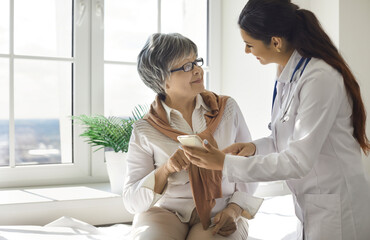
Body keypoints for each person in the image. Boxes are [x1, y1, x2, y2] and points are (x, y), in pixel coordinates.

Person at [182, 0, 370, 239]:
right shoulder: (287, 72)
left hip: (337, 206)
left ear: (276, 42)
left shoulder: (319, 78)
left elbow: (298, 161)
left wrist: (224, 164)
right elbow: (285, 138)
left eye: (249, 44)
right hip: (313, 204)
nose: (246, 52)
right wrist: (253, 148)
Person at [122, 33, 263, 240]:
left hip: (221, 210)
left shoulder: (227, 109)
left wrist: (234, 210)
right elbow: (131, 201)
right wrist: (166, 169)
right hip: (166, 212)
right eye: (186, 66)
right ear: (163, 80)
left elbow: (251, 165)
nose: (198, 70)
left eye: (196, 61)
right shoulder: (145, 129)